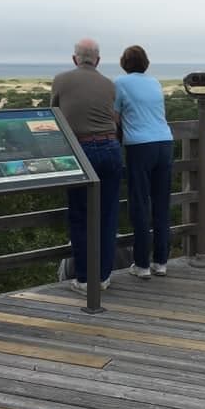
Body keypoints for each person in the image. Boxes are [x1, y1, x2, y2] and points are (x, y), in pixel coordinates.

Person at [51, 38, 122, 292]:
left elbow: (54, 115)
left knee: (80, 216)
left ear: (75, 59)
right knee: (108, 214)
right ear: (98, 61)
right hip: (111, 148)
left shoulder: (61, 80)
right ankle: (103, 277)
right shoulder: (109, 84)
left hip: (80, 151)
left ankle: (83, 278)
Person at [114, 45, 173, 278]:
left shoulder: (119, 83)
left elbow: (115, 118)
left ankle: (142, 264)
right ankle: (161, 261)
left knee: (139, 204)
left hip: (140, 146)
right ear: (146, 63)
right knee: (161, 203)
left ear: (123, 63)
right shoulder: (155, 82)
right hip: (165, 143)